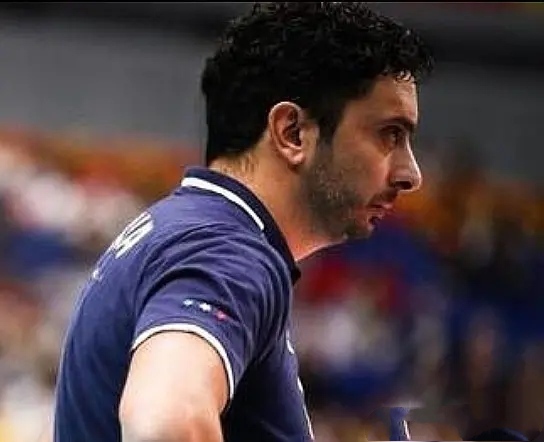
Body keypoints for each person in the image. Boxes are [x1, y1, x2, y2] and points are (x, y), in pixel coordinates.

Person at [52, 2, 434, 441]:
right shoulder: (228, 250)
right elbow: (164, 422)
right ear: (292, 133)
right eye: (390, 134)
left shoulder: (184, 229)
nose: (411, 174)